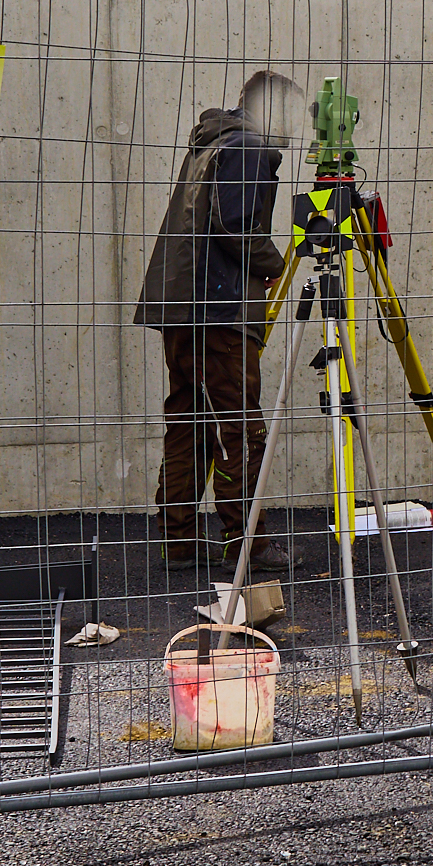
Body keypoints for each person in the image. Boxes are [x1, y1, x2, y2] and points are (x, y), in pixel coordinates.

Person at [135, 71, 304, 569]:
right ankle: (246, 543)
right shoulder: (248, 147)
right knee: (239, 426)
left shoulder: (215, 142)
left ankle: (179, 540)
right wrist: (274, 265)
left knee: (188, 422)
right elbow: (235, 226)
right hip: (218, 310)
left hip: (182, 306)